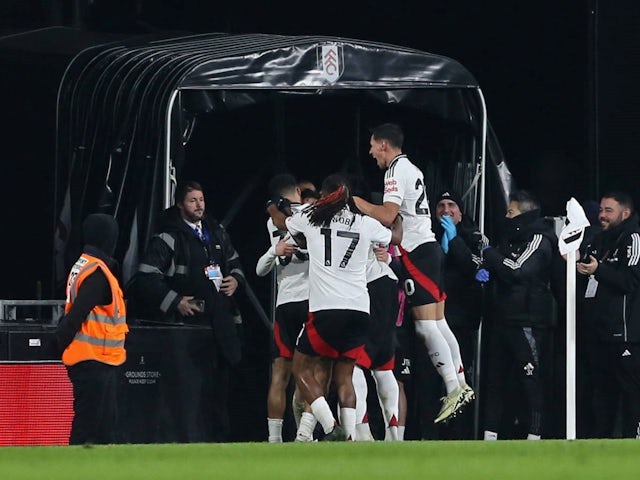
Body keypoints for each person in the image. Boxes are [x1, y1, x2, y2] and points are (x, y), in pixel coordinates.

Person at [353, 123, 472, 425]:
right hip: (427, 249)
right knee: (439, 322)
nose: (370, 152)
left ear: (383, 145)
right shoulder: (413, 169)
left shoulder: (394, 171)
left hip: (418, 252)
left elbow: (388, 214)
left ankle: (452, 386)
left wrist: (356, 203)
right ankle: (459, 382)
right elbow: (400, 221)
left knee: (424, 327)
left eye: (372, 145)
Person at [287, 174, 401, 441]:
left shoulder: (310, 217)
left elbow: (293, 231)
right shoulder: (364, 222)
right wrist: (398, 212)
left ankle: (330, 427)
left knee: (301, 368)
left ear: (325, 194)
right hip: (360, 309)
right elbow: (394, 236)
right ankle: (348, 437)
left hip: (326, 307)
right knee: (345, 375)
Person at [131, 180, 245, 442]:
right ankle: (187, 439)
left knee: (219, 391)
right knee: (188, 391)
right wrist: (176, 301)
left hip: (219, 328)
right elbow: (146, 278)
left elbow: (236, 262)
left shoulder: (216, 232)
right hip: (185, 332)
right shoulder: (168, 237)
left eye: (201, 199)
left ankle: (220, 441)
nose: (199, 205)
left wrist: (236, 279)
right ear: (180, 204)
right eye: (193, 200)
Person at [480, 190, 557, 440]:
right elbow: (499, 267)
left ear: (525, 214)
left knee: (530, 380)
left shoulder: (540, 239)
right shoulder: (508, 240)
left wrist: (489, 254)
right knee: (494, 381)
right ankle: (489, 438)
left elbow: (518, 270)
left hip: (527, 322)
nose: (506, 217)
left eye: (511, 212)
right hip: (502, 320)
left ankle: (534, 437)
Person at [56, 213, 128, 445]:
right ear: (109, 239)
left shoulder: (84, 264)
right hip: (94, 359)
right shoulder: (98, 273)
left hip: (93, 359)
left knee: (96, 426)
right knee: (94, 429)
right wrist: (53, 347)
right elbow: (76, 316)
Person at [576, 191, 640, 438]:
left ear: (625, 213)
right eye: (601, 210)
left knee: (629, 390)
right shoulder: (597, 240)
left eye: (608, 211)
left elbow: (630, 281)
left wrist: (598, 270)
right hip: (596, 332)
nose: (601, 215)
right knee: (601, 391)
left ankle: (632, 437)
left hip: (624, 333)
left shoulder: (633, 238)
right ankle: (602, 441)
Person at [256, 173, 312, 442]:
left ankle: (274, 440)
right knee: (312, 372)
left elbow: (267, 263)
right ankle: (306, 433)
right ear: (299, 190)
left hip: (284, 304)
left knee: (280, 375)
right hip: (312, 301)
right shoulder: (312, 214)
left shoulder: (272, 220)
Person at [432, 189, 488, 439]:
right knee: (433, 379)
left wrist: (454, 241)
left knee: (459, 376)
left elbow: (476, 266)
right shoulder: (426, 236)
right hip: (431, 318)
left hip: (461, 319)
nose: (446, 210)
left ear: (460, 211)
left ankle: (459, 434)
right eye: (441, 205)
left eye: (451, 205)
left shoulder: (475, 236)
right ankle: (431, 432)